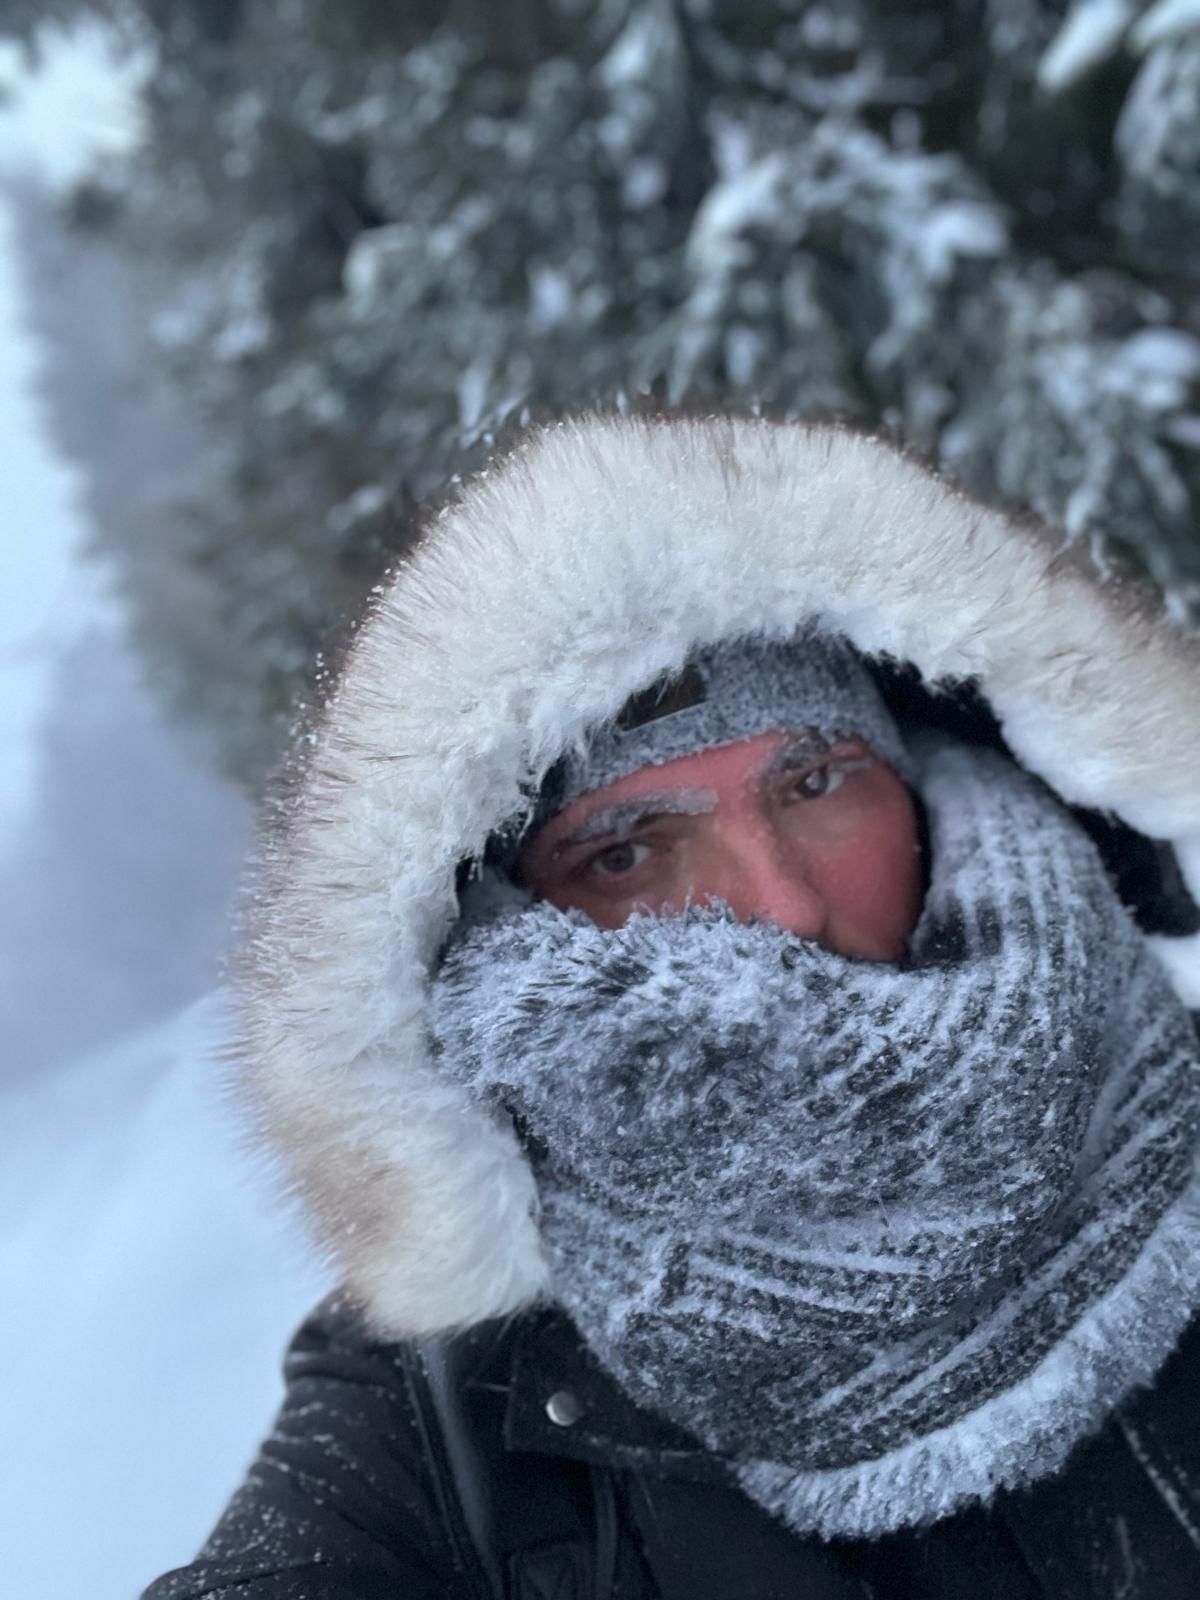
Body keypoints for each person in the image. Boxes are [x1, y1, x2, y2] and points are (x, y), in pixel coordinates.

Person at [145, 414, 1200, 1599]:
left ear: (913, 770)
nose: (785, 906)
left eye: (815, 781)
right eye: (626, 853)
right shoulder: (444, 1417)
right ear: (505, 924)